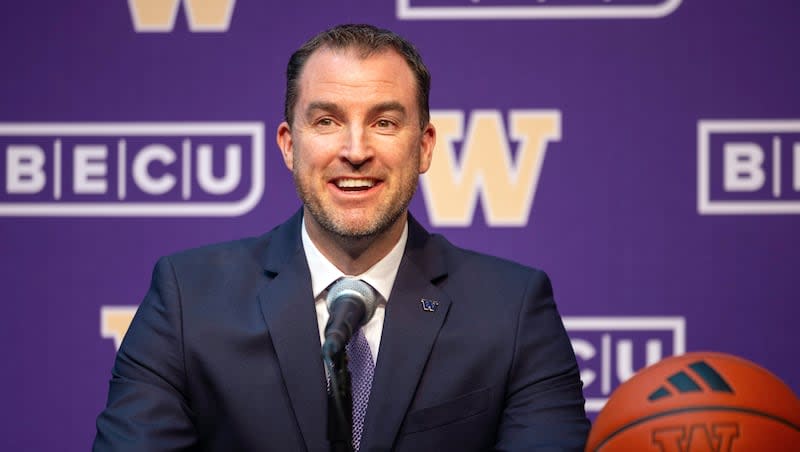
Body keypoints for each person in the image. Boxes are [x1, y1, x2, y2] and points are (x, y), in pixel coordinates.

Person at [93, 24, 589, 451]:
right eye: (327, 120)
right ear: (289, 145)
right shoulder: (187, 300)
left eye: (385, 122)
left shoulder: (512, 310)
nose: (355, 150)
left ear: (424, 146)